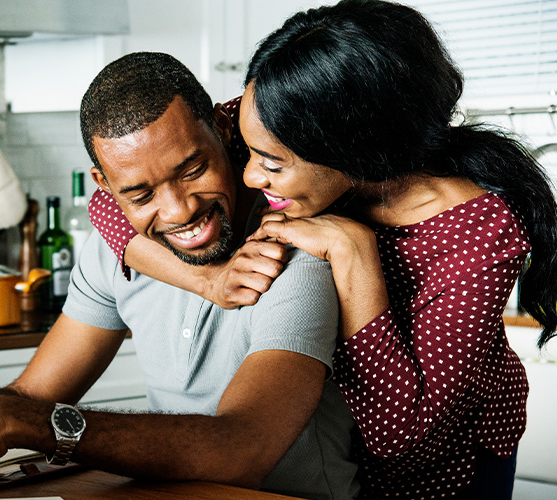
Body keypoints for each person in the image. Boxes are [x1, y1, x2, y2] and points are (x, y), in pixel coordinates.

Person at [0, 51, 360, 499]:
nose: (177, 211)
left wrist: (20, 423)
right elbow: (34, 395)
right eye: (140, 193)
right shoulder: (113, 254)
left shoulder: (293, 250)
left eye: (192, 169)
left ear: (224, 130)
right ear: (103, 186)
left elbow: (242, 448)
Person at [87, 1, 557, 498]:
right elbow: (110, 203)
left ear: (351, 147)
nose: (248, 174)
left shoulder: (478, 233)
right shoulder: (274, 114)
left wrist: (353, 251)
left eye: (270, 162)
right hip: (338, 454)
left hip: (445, 471)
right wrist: (208, 281)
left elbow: (400, 437)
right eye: (250, 151)